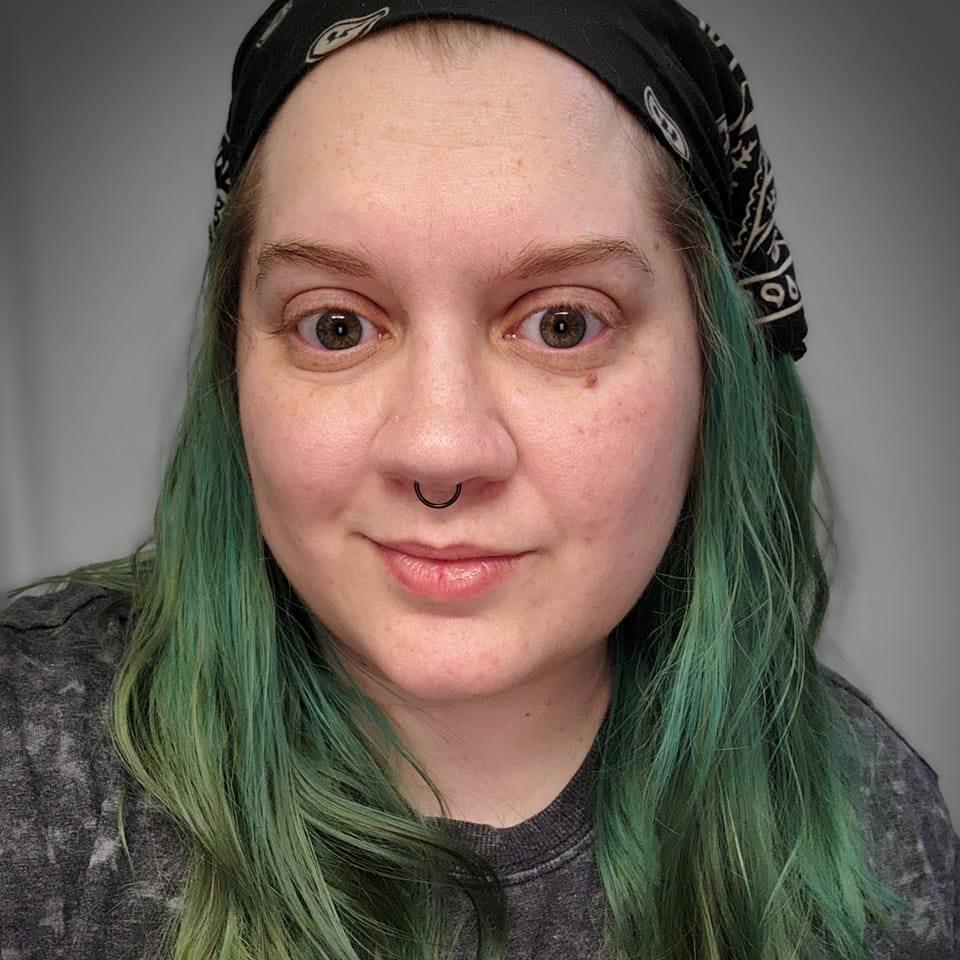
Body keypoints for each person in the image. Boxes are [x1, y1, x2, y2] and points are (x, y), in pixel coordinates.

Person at [1, 2, 956, 958]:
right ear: (234, 368)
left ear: (716, 368)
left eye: (563, 325)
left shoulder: (871, 816)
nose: (440, 450)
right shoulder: (32, 765)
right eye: (336, 326)